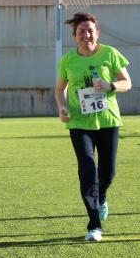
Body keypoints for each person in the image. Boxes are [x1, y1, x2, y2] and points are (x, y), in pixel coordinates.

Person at [54, 12, 132, 242]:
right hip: (80, 123)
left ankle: (102, 197)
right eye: (81, 31)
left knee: (107, 173)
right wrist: (62, 107)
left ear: (97, 32)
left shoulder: (110, 54)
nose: (86, 34)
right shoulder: (68, 60)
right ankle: (94, 224)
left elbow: (128, 82)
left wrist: (110, 85)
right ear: (75, 35)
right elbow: (60, 89)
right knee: (88, 169)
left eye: (90, 30)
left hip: (108, 121)